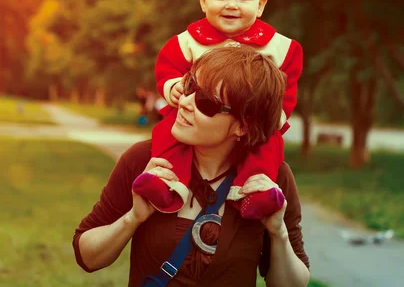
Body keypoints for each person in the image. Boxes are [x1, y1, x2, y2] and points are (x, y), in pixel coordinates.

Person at [73, 46, 310, 286]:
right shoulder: (144, 160)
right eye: (189, 87)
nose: (185, 102)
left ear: (243, 126)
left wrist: (278, 234)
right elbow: (88, 257)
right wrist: (133, 218)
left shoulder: (271, 180)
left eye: (206, 102)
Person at [132, 0, 303, 219]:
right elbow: (167, 66)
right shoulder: (189, 41)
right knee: (169, 131)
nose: (231, 5)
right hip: (202, 114)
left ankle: (254, 191)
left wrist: (273, 116)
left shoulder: (279, 47)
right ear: (203, 0)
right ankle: (166, 179)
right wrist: (173, 86)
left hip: (252, 118)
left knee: (267, 145)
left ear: (260, 5)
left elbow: (286, 85)